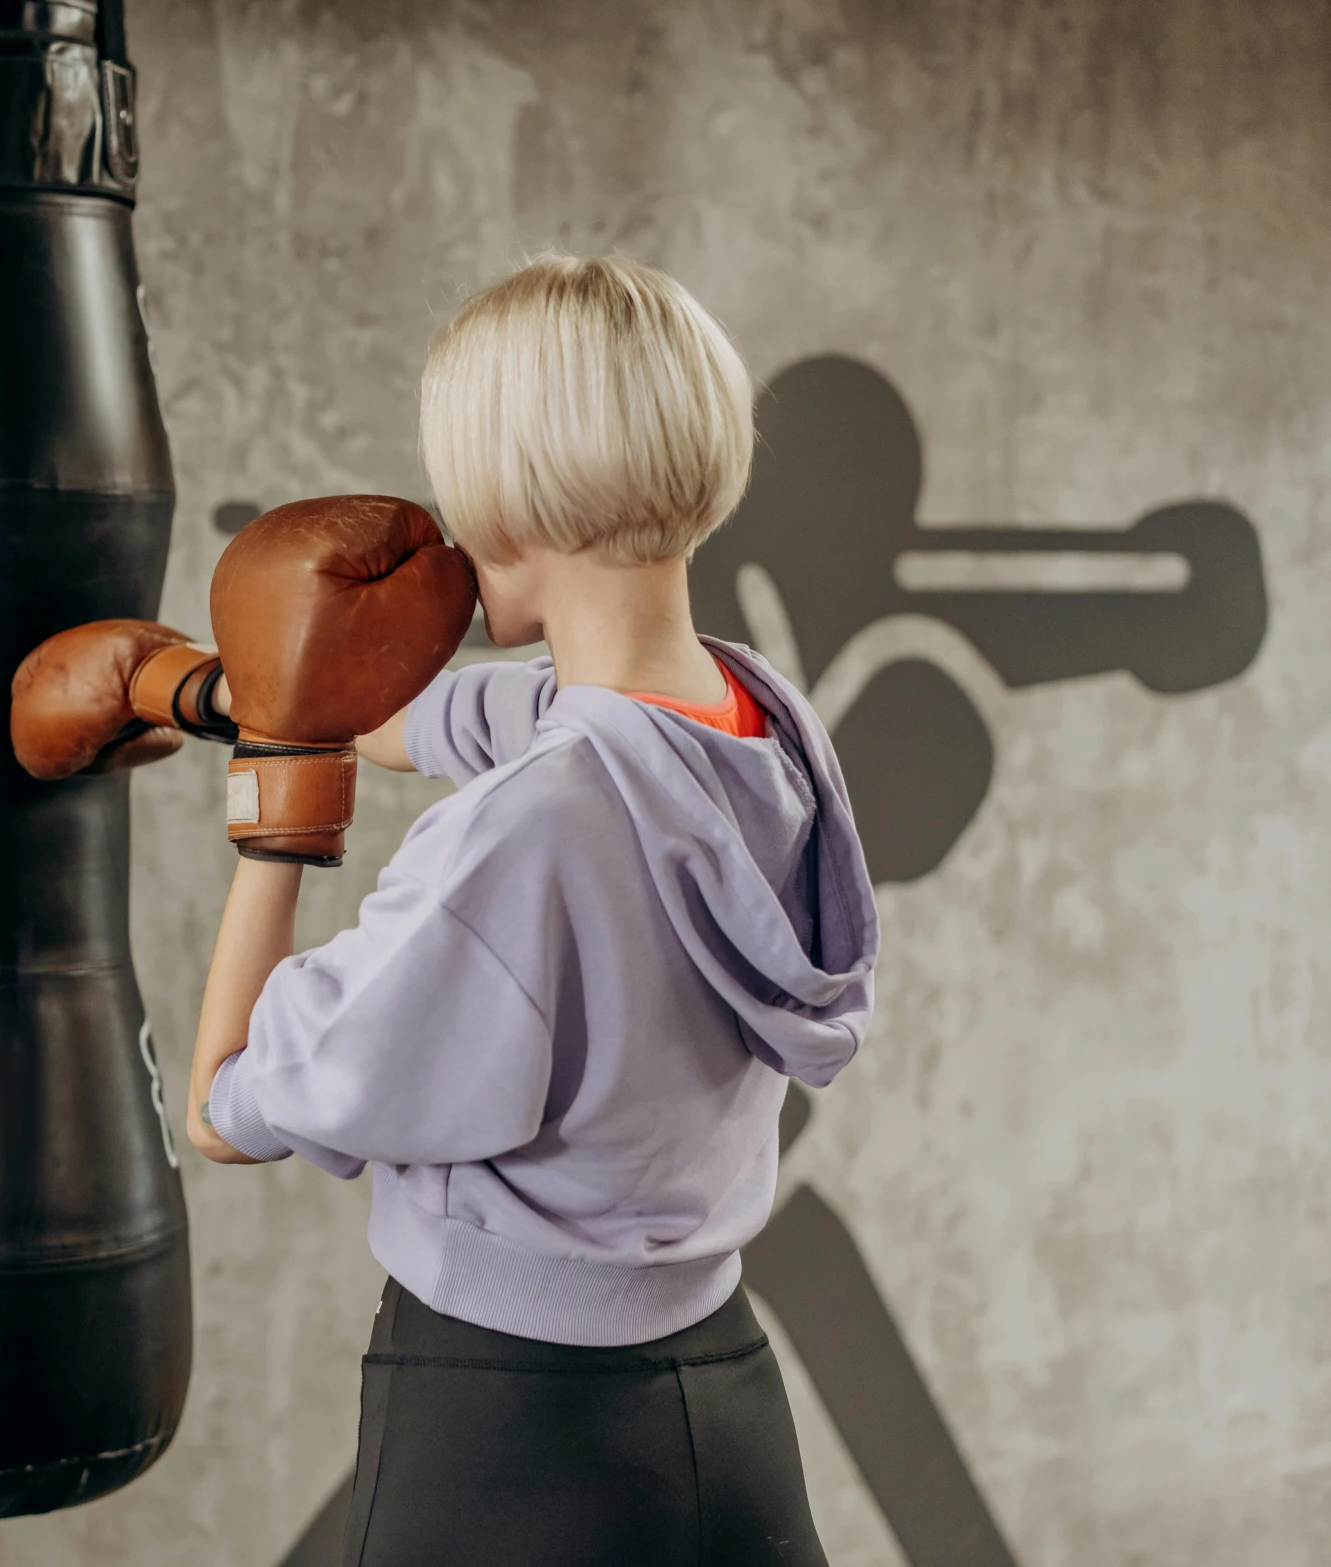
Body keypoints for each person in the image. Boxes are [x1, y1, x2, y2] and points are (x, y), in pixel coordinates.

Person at [185, 256, 878, 1564]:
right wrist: (207, 692)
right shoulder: (757, 729)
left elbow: (226, 1103)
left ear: (507, 494)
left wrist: (277, 786)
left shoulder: (525, 831)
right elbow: (466, 718)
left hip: (509, 1432)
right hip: (722, 1404)